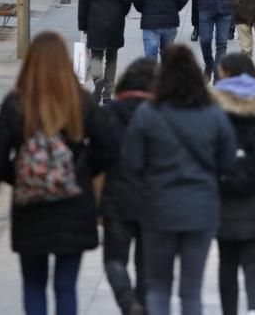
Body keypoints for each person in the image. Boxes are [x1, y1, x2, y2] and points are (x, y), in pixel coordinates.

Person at [0, 32, 115, 315]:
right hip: (74, 203)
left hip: (31, 206)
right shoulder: (80, 101)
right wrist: (80, 171)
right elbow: (108, 148)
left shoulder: (16, 103)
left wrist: (21, 177)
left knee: (33, 285)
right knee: (65, 285)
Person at [123, 45, 236, 315]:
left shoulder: (148, 114)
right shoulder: (213, 115)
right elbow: (228, 163)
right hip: (201, 210)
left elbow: (131, 164)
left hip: (158, 209)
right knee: (191, 290)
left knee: (158, 286)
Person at [213, 53, 255, 315]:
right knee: (254, 263)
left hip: (223, 192)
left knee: (226, 262)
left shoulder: (213, 106)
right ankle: (254, 309)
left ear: (226, 73)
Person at [100, 57, 157, 315]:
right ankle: (142, 305)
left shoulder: (108, 113)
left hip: (117, 199)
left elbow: (95, 157)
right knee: (146, 264)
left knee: (114, 259)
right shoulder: (161, 115)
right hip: (153, 200)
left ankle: (127, 301)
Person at [78, 0, 132, 105]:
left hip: (94, 17)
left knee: (96, 54)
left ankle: (97, 79)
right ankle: (108, 93)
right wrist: (122, 13)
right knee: (112, 56)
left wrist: (82, 23)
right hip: (115, 18)